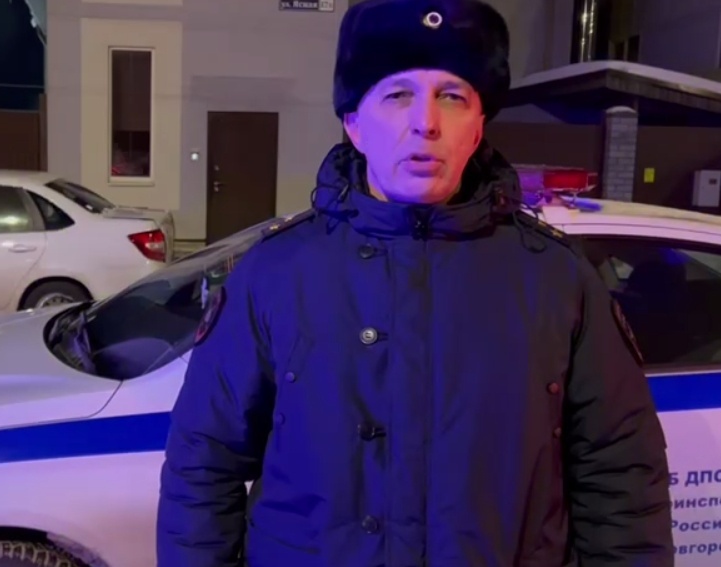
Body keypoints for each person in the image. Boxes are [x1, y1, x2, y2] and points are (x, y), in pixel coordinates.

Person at [156, 0, 675, 565]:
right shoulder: (275, 274)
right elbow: (202, 468)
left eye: (452, 97)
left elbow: (621, 480)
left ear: (477, 129)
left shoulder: (557, 279)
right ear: (354, 125)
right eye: (397, 95)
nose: (426, 122)